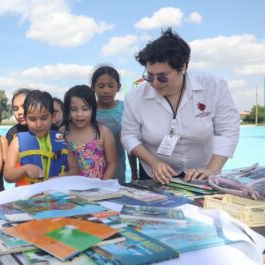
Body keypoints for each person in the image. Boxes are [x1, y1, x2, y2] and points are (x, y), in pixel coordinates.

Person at [121, 28, 240, 184]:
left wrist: (212, 169)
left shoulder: (214, 86)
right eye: (149, 76)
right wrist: (154, 162)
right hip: (155, 173)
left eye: (163, 77)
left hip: (201, 170)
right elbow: (128, 135)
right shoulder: (135, 97)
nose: (155, 83)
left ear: (182, 67)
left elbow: (227, 130)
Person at [4, 90, 78, 186]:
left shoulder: (60, 139)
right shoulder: (17, 141)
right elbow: (7, 175)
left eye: (44, 118)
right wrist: (25, 169)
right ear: (25, 118)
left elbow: (75, 168)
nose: (38, 124)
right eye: (32, 119)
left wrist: (61, 179)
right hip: (29, 197)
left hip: (57, 194)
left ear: (52, 116)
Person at [91, 65, 136, 183]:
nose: (106, 90)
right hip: (90, 169)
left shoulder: (125, 108)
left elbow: (130, 143)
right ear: (93, 88)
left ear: (118, 87)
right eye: (101, 86)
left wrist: (134, 174)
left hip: (118, 167)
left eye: (111, 86)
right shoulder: (87, 111)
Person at [63, 85, 117, 179]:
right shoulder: (63, 132)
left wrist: (102, 186)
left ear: (93, 109)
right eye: (74, 109)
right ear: (68, 110)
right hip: (70, 189)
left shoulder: (103, 133)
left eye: (85, 109)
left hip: (97, 189)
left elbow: (112, 163)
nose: (79, 114)